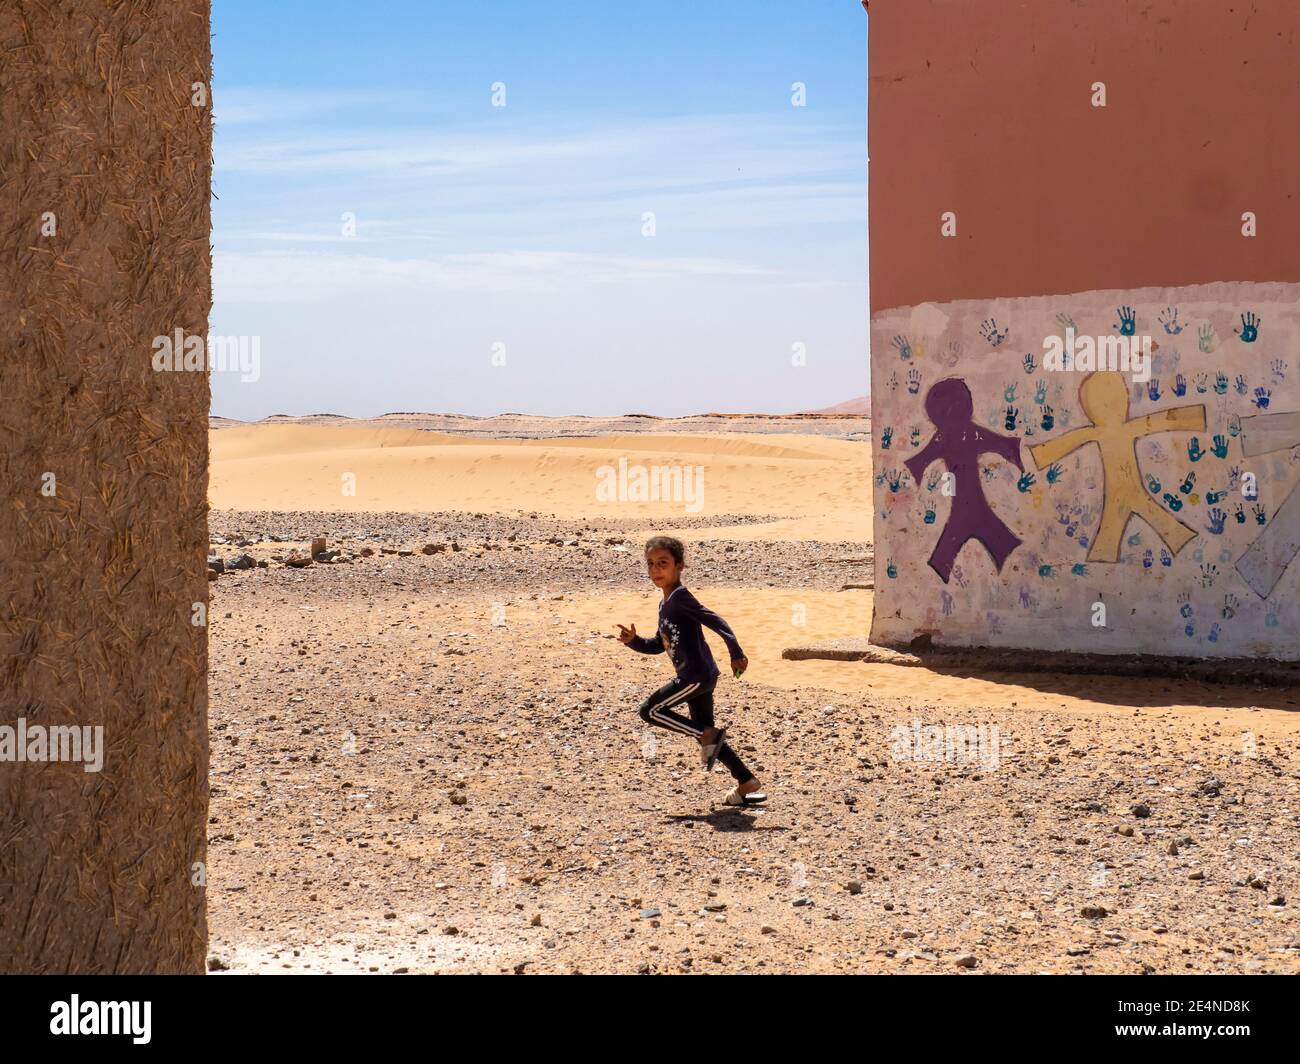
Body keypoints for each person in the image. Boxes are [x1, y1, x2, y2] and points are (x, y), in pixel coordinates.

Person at [616, 536, 767, 807]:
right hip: (702, 677)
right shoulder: (666, 604)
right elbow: (658, 645)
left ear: (679, 565)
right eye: (651, 564)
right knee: (708, 738)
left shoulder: (681, 599)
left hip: (694, 677)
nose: (656, 570)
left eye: (663, 563)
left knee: (649, 711)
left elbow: (716, 621)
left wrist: (736, 652)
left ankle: (707, 736)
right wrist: (634, 642)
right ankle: (746, 781)